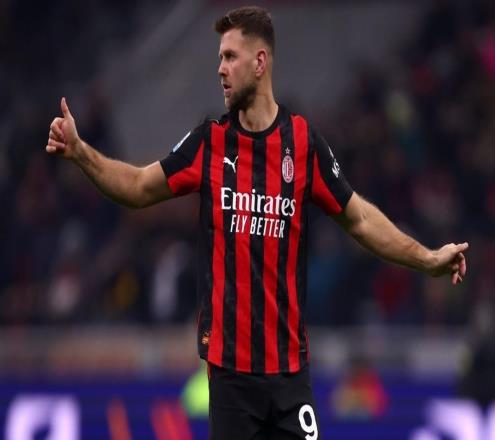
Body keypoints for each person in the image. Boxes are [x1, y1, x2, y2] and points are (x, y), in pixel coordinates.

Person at [46, 6, 468, 439]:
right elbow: (137, 186)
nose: (220, 69)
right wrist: (81, 152)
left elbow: (359, 218)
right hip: (230, 378)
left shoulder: (302, 143)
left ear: (260, 62)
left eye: (230, 57)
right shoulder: (209, 142)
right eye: (220, 58)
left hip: (289, 376)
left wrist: (427, 258)